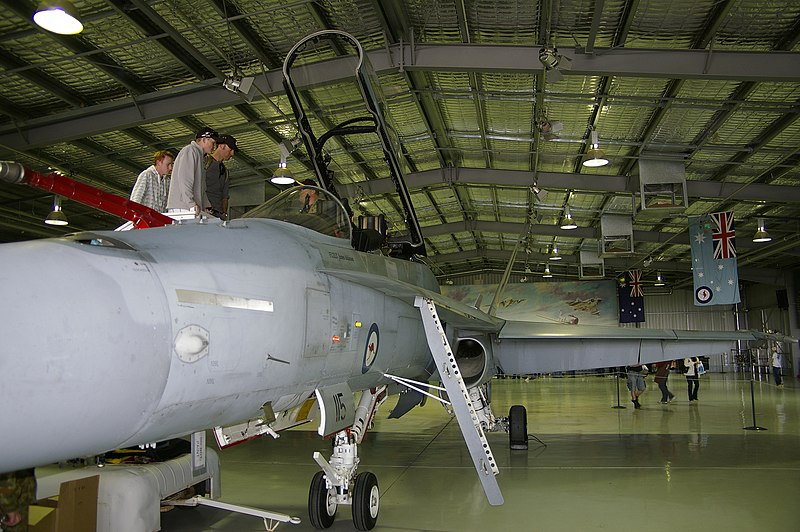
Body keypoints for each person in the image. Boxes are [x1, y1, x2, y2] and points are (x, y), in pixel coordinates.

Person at [166, 127, 218, 215]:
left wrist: (205, 205)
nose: (214, 146)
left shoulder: (200, 156)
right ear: (204, 140)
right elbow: (185, 179)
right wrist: (190, 203)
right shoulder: (190, 151)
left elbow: (201, 186)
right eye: (212, 143)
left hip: (190, 207)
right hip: (183, 207)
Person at [205, 134, 237, 219]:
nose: (232, 153)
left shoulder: (225, 171)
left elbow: (225, 196)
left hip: (217, 215)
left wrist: (224, 213)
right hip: (204, 212)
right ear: (222, 146)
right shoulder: (204, 162)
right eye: (230, 149)